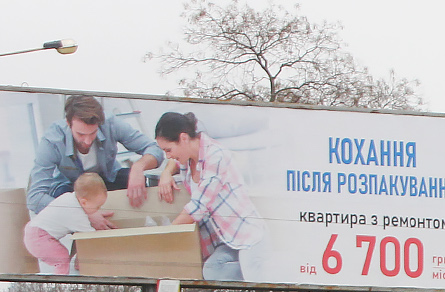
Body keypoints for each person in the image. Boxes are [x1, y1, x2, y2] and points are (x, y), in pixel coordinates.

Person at [153, 111, 265, 280]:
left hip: (247, 235)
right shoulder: (187, 159)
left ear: (183, 138)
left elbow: (198, 207)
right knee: (212, 272)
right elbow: (172, 161)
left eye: (168, 150)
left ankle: (268, 265)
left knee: (252, 275)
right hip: (225, 240)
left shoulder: (215, 156)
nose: (168, 155)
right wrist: (166, 173)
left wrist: (164, 237)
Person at [26, 95, 165, 222]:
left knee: (135, 180)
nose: (87, 141)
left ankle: (136, 228)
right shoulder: (52, 141)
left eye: (93, 133)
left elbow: (155, 149)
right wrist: (81, 214)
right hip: (71, 190)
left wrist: (138, 168)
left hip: (106, 180)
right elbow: (34, 198)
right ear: (68, 123)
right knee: (61, 197)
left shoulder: (110, 123)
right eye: (80, 134)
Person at [22, 172, 107, 275]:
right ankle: (60, 281)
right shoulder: (76, 214)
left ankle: (79, 264)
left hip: (34, 231)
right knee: (62, 258)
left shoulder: (69, 197)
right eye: (97, 207)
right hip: (39, 237)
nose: (98, 210)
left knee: (69, 250)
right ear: (84, 202)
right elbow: (90, 237)